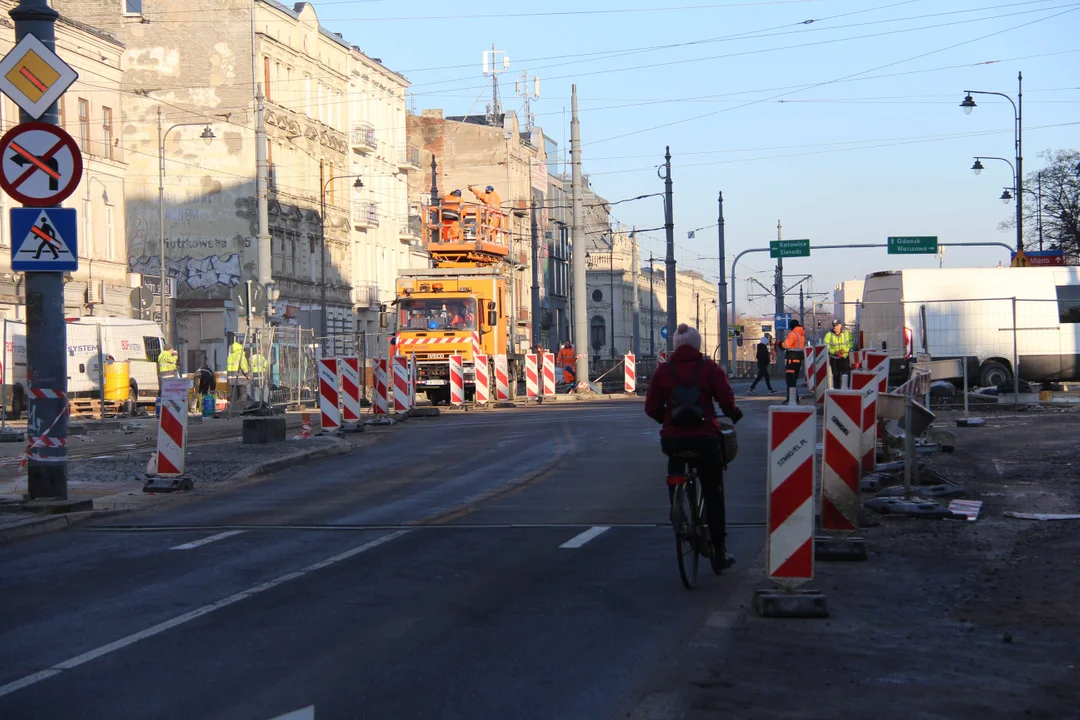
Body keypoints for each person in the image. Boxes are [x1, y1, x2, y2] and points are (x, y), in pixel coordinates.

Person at [644, 323, 742, 573]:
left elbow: (651, 407)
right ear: (698, 345)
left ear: (675, 346)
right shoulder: (709, 368)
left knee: (675, 470)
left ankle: (678, 513)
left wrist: (666, 421)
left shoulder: (664, 371)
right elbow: (725, 399)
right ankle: (719, 552)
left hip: (674, 439)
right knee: (713, 492)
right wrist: (734, 414)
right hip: (705, 438)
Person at [824, 319, 854, 389]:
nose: (834, 327)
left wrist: (844, 350)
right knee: (836, 376)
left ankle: (846, 390)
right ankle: (837, 391)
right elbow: (826, 346)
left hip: (844, 358)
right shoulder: (829, 335)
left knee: (846, 376)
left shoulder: (847, 334)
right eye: (833, 326)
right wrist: (834, 352)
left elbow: (851, 344)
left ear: (840, 325)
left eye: (836, 326)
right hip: (834, 359)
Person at [781, 319, 806, 403]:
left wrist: (779, 343)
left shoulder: (792, 334)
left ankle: (791, 399)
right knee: (793, 380)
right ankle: (795, 398)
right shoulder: (801, 334)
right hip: (798, 360)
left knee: (789, 380)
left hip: (791, 360)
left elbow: (786, 345)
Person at [225, 336, 250, 403]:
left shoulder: (230, 356)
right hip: (240, 378)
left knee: (234, 394)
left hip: (232, 379)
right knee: (243, 394)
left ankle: (233, 408)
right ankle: (241, 407)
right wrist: (247, 374)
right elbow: (243, 365)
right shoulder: (240, 354)